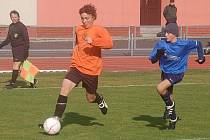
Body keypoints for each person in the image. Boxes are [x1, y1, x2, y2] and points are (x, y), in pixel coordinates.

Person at [40, 4, 113, 126]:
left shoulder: (99, 30)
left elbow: (110, 44)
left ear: (94, 17)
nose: (84, 21)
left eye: (87, 18)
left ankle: (99, 99)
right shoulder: (78, 29)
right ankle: (55, 120)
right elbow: (78, 43)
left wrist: (94, 41)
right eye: (82, 18)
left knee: (90, 98)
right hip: (77, 66)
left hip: (91, 71)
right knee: (64, 89)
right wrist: (75, 50)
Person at [149, 23, 205, 129]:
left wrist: (201, 58)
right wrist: (158, 55)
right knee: (169, 95)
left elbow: (198, 43)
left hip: (178, 73)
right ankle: (173, 120)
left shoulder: (184, 44)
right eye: (165, 32)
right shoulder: (161, 44)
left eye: (168, 33)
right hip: (165, 72)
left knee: (160, 87)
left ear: (174, 34)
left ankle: (170, 107)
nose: (165, 34)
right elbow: (152, 60)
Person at [0, 10, 37, 88]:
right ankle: (33, 81)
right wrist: (1, 45)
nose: (14, 18)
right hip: (14, 49)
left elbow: (27, 40)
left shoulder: (22, 27)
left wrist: (26, 51)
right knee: (21, 68)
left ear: (18, 17)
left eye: (15, 17)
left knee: (15, 65)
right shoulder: (11, 26)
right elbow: (8, 39)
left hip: (21, 49)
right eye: (12, 17)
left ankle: (13, 83)